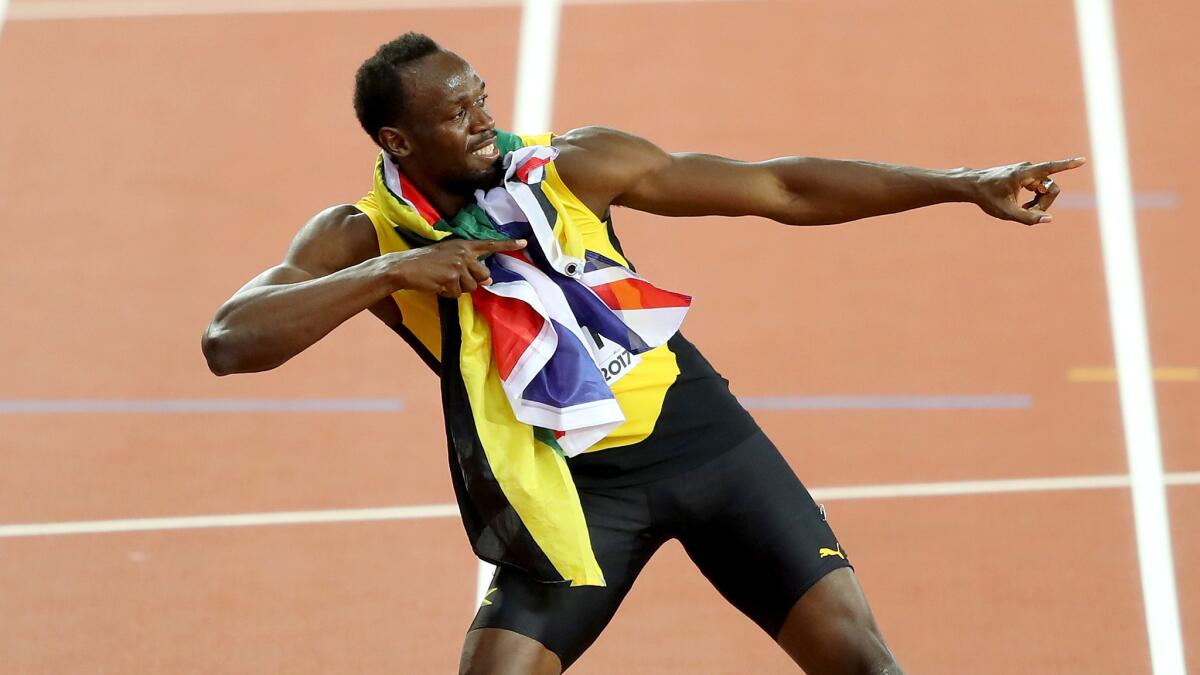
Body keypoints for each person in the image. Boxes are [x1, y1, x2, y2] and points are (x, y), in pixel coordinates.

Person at [202, 32, 1082, 675]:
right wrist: (396, 269)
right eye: (456, 114)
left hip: (704, 441)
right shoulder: (362, 234)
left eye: (482, 100)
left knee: (862, 663)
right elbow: (230, 340)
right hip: (572, 493)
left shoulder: (572, 166)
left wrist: (962, 184)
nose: (485, 124)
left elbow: (780, 186)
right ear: (397, 142)